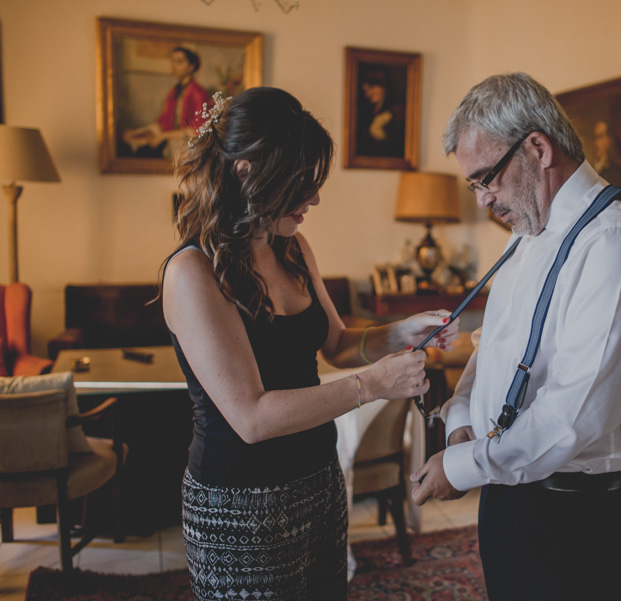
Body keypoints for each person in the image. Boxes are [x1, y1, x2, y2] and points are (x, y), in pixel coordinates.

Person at [161, 86, 459, 601]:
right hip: (239, 506)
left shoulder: (293, 249)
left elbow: (339, 343)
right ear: (247, 172)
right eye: (301, 183)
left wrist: (402, 331)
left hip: (319, 482)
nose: (314, 199)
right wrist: (371, 385)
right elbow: (252, 418)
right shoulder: (194, 272)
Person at [410, 73, 621, 601]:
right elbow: (493, 346)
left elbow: (573, 417)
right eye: (474, 185)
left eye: (487, 178)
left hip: (574, 517)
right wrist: (463, 421)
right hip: (511, 489)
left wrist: (463, 467)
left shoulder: (614, 245)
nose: (483, 200)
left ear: (537, 148)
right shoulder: (530, 233)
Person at [122, 46, 213, 158]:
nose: (174, 66)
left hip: (188, 146)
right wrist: (136, 133)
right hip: (171, 140)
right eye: (173, 61)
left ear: (191, 66)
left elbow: (197, 131)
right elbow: (163, 123)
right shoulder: (175, 91)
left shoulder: (198, 93)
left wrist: (163, 136)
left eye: (179, 62)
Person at [356, 67, 405, 158]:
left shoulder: (396, 109)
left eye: (371, 88)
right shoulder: (368, 109)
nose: (368, 94)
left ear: (382, 87)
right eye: (366, 91)